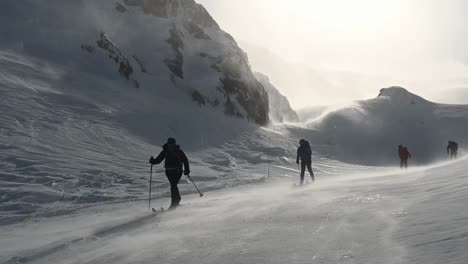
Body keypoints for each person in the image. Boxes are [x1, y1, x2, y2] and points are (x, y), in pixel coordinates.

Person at [150, 138, 190, 210]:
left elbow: (185, 160)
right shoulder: (167, 151)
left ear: (174, 144)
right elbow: (158, 160)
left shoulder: (173, 151)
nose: (171, 146)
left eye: (172, 144)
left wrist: (186, 170)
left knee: (173, 185)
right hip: (170, 172)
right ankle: (176, 200)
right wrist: (153, 161)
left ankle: (174, 202)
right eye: (170, 144)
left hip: (177, 171)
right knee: (173, 185)